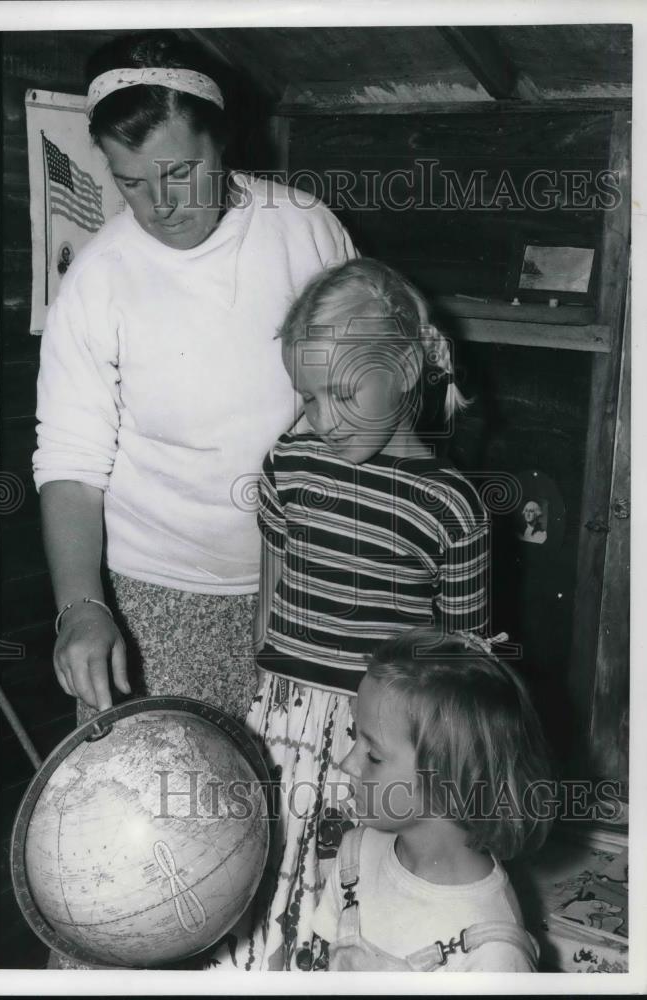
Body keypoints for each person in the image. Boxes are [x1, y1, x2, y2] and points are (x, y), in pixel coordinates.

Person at [33, 32, 356, 725]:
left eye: (180, 172)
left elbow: (366, 398)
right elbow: (70, 461)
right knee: (168, 816)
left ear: (224, 142)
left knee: (298, 803)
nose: (160, 206)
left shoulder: (306, 231)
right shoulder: (98, 279)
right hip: (156, 599)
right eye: (131, 182)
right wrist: (81, 608)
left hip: (307, 578)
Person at [213, 258, 491, 971]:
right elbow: (268, 605)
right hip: (280, 725)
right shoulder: (288, 466)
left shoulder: (451, 506)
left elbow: (457, 670)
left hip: (375, 746)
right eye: (307, 398)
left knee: (340, 906)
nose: (323, 419)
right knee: (253, 889)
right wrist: (260, 711)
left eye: (341, 393)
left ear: (402, 370)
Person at [312, 627, 554, 972]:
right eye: (355, 738)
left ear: (445, 782)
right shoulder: (354, 856)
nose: (347, 762)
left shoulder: (494, 955)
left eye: (374, 756)